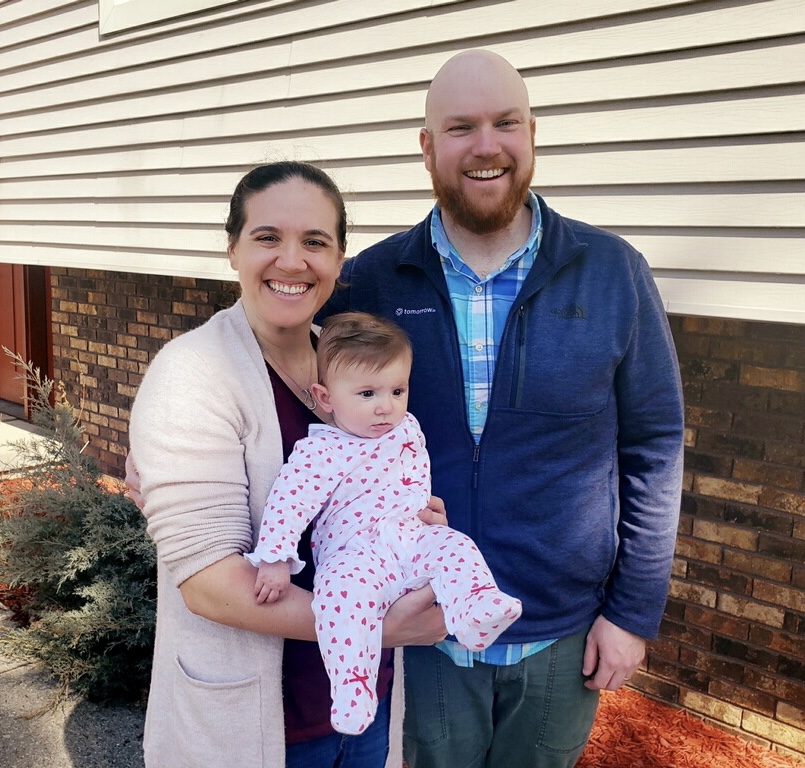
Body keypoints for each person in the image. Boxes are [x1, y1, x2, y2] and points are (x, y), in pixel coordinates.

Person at [318, 49, 685, 768]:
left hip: (561, 634)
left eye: (504, 123)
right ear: (426, 148)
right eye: (460, 127)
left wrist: (630, 614)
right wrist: (181, 436)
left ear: (531, 134)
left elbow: (654, 446)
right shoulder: (372, 278)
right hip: (424, 626)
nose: (485, 146)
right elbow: (282, 363)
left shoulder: (612, 272)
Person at [127, 161, 447, 768]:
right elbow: (211, 588)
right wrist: (378, 629)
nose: (292, 261)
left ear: (340, 258)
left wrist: (413, 518)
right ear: (233, 249)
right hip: (261, 723)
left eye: (315, 242)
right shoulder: (193, 375)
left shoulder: (352, 365)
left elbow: (375, 482)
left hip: (364, 704)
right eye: (268, 237)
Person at [246, 311, 521, 736]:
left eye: (397, 390)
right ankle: (353, 684)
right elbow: (289, 502)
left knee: (455, 545)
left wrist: (428, 519)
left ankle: (475, 609)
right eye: (368, 392)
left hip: (412, 540)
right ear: (325, 398)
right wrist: (276, 559)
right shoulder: (321, 451)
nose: (386, 406)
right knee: (338, 599)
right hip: (357, 557)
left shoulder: (406, 428)